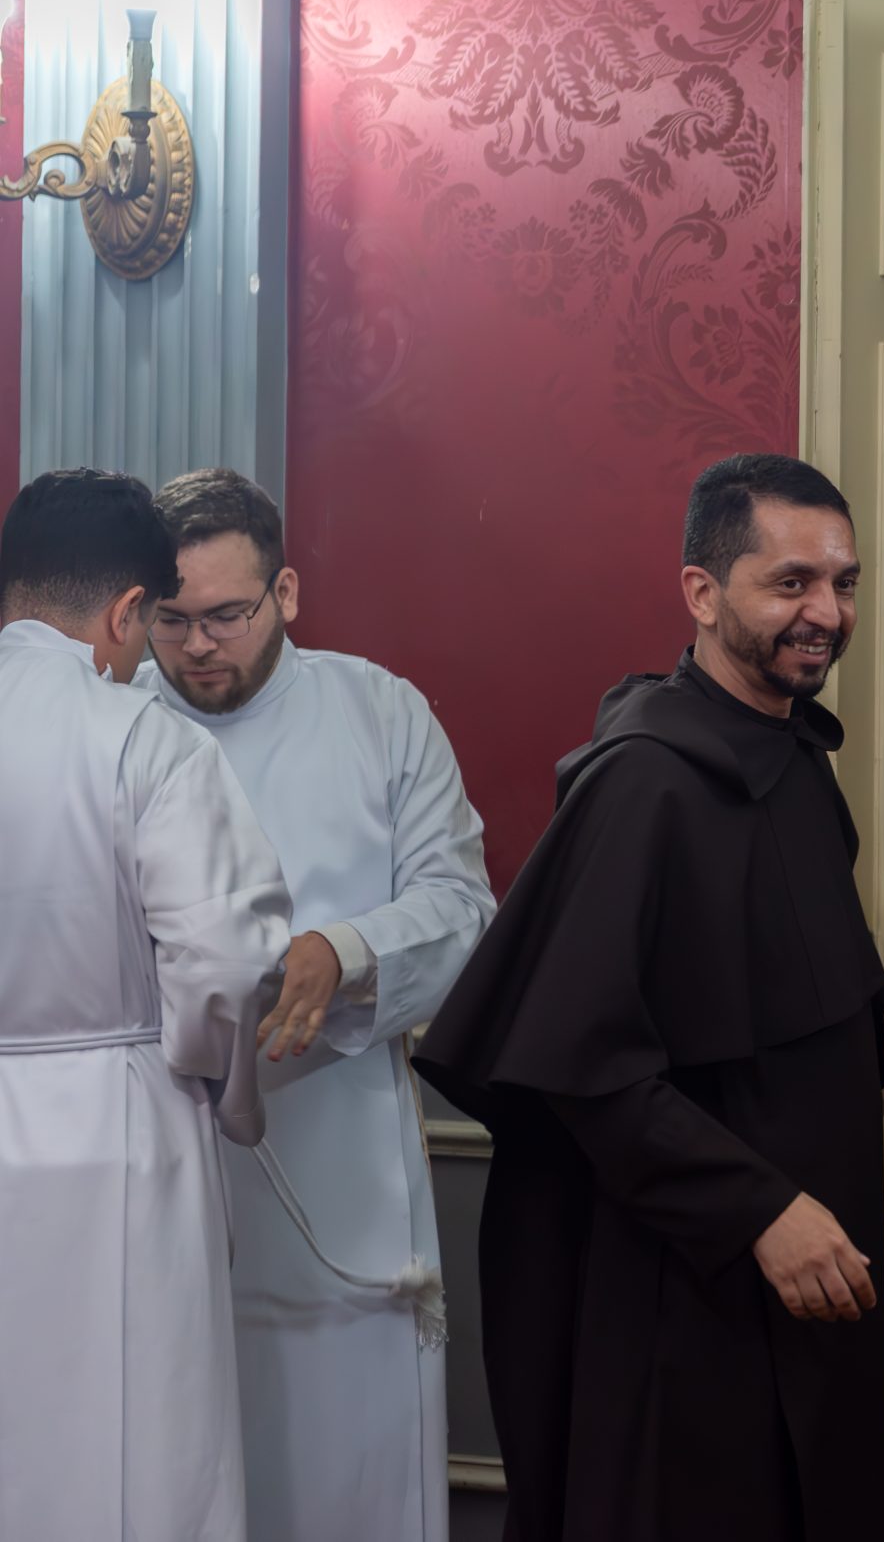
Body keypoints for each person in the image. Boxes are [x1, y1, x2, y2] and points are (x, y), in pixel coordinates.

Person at [416, 453, 884, 1541]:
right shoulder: (643, 783)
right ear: (702, 592)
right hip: (683, 1283)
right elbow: (581, 1063)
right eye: (791, 582)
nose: (827, 613)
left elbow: (808, 964)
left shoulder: (793, 753)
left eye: (844, 583)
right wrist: (757, 1209)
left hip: (810, 1259)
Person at [139, 468, 496, 1542]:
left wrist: (345, 951)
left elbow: (462, 905)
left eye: (227, 615)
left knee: (346, 1478)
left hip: (341, 1162)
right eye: (172, 620)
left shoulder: (380, 711)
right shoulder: (117, 726)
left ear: (286, 592)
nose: (199, 645)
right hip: (161, 1154)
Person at [0, 468, 294, 1542]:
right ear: (128, 610)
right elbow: (226, 963)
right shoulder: (147, 737)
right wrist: (225, 1093)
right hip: (122, 1126)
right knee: (138, 1446)